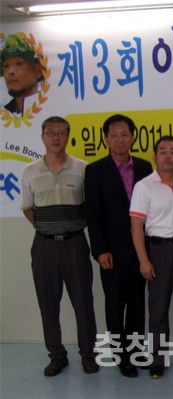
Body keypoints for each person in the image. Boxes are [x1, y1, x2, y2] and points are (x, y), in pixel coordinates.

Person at [20, 116, 99, 376]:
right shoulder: (30, 171)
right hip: (44, 246)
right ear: (42, 137)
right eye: (50, 133)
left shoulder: (83, 169)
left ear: (68, 137)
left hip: (75, 243)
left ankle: (88, 355)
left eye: (61, 133)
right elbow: (28, 208)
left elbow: (90, 207)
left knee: (83, 302)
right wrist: (47, 227)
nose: (56, 137)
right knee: (48, 303)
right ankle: (57, 356)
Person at [85, 114, 153, 378]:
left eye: (125, 134)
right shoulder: (95, 170)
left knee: (137, 303)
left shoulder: (145, 167)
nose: (120, 139)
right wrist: (100, 250)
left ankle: (135, 352)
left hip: (140, 250)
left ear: (133, 137)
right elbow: (93, 214)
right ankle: (120, 355)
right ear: (106, 139)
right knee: (115, 305)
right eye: (114, 135)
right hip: (111, 252)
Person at [129, 136, 173, 379]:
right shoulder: (144, 186)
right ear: (154, 157)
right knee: (158, 309)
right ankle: (157, 358)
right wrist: (144, 260)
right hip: (158, 250)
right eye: (163, 151)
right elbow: (136, 227)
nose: (168, 156)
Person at [1, 33, 45, 115]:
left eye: (19, 64)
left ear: (38, 70)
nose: (11, 72)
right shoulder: (4, 113)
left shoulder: (50, 108)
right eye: (6, 66)